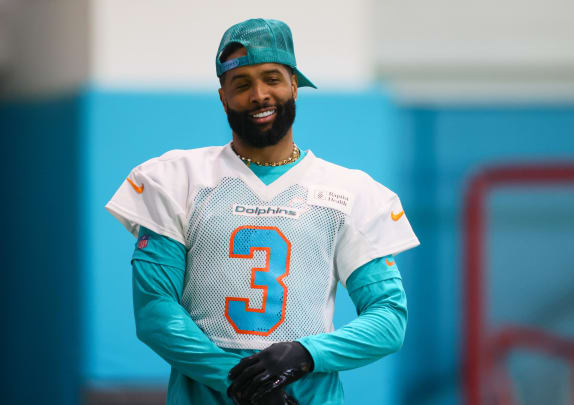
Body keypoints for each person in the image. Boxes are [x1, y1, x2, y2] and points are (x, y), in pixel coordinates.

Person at [106, 18, 419, 405]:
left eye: (271, 78)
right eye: (242, 84)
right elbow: (155, 311)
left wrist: (306, 355)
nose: (258, 95)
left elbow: (388, 319)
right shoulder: (177, 179)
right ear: (223, 97)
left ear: (294, 85)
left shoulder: (349, 191)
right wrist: (242, 385)